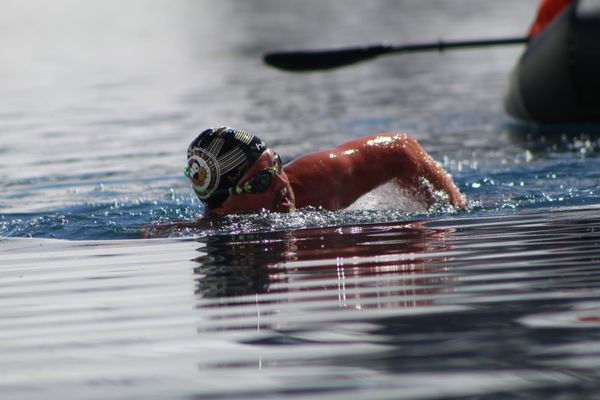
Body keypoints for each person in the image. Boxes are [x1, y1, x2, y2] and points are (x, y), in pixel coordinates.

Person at [184, 127, 465, 216]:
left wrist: (453, 213)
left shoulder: (315, 183)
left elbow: (401, 150)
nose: (280, 183)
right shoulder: (208, 233)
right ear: (221, 208)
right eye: (260, 181)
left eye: (277, 165)